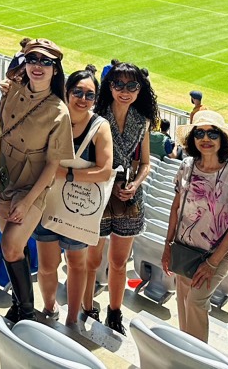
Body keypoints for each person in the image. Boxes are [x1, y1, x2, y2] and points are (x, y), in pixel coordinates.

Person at [0, 37, 72, 324]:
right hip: (3, 178)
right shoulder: (9, 91)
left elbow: (53, 164)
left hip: (30, 187)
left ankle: (26, 313)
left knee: (11, 246)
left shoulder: (58, 111)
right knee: (15, 248)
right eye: (33, 60)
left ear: (55, 69)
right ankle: (19, 304)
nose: (38, 66)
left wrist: (28, 202)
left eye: (46, 62)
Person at [34, 67, 113, 327]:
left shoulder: (100, 127)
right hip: (48, 202)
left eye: (89, 95)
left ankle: (71, 319)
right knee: (47, 265)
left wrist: (64, 173)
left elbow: (104, 172)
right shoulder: (55, 116)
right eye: (77, 92)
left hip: (80, 207)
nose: (82, 98)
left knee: (76, 263)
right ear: (67, 92)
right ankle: (48, 306)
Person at [84, 61, 158, 332]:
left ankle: (115, 312)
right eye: (118, 85)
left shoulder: (143, 122)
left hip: (129, 198)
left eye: (131, 86)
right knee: (92, 260)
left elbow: (146, 162)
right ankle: (87, 304)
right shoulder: (96, 115)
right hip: (98, 196)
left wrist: (135, 184)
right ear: (110, 87)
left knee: (119, 262)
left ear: (140, 89)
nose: (124, 91)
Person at [162, 110, 228, 342]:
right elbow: (175, 207)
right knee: (183, 300)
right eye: (200, 133)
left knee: (196, 302)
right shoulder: (186, 166)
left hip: (216, 253)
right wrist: (168, 245)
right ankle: (186, 351)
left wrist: (212, 262)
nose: (205, 139)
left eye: (212, 134)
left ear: (222, 139)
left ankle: (198, 358)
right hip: (185, 248)